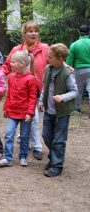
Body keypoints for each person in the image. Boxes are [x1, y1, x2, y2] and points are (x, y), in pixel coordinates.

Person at [2, 20, 48, 161]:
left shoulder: (44, 48)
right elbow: (7, 66)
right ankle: (26, 145)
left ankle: (37, 147)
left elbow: (53, 60)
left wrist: (66, 66)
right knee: (30, 120)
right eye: (30, 31)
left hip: (37, 88)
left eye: (36, 31)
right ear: (24, 33)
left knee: (33, 119)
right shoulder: (17, 50)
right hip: (20, 89)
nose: (34, 33)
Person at [39, 43, 78, 177]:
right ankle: (54, 156)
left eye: (50, 57)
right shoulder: (47, 69)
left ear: (60, 58)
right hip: (49, 111)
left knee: (59, 140)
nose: (47, 59)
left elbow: (74, 91)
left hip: (62, 113)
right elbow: (44, 87)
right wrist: (40, 101)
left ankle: (57, 165)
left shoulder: (67, 73)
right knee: (46, 136)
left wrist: (63, 97)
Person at [0, 51, 38, 167]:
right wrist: (6, 108)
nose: (11, 63)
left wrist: (30, 113)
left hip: (25, 113)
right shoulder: (11, 77)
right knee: (9, 134)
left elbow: (32, 97)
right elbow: (9, 94)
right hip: (12, 112)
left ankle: (23, 157)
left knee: (24, 136)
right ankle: (7, 158)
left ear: (22, 64)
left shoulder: (31, 79)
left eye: (13, 62)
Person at [66, 24, 90, 113]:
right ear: (89, 32)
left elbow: (69, 62)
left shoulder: (74, 45)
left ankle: (77, 107)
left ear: (79, 32)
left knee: (78, 90)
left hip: (79, 71)